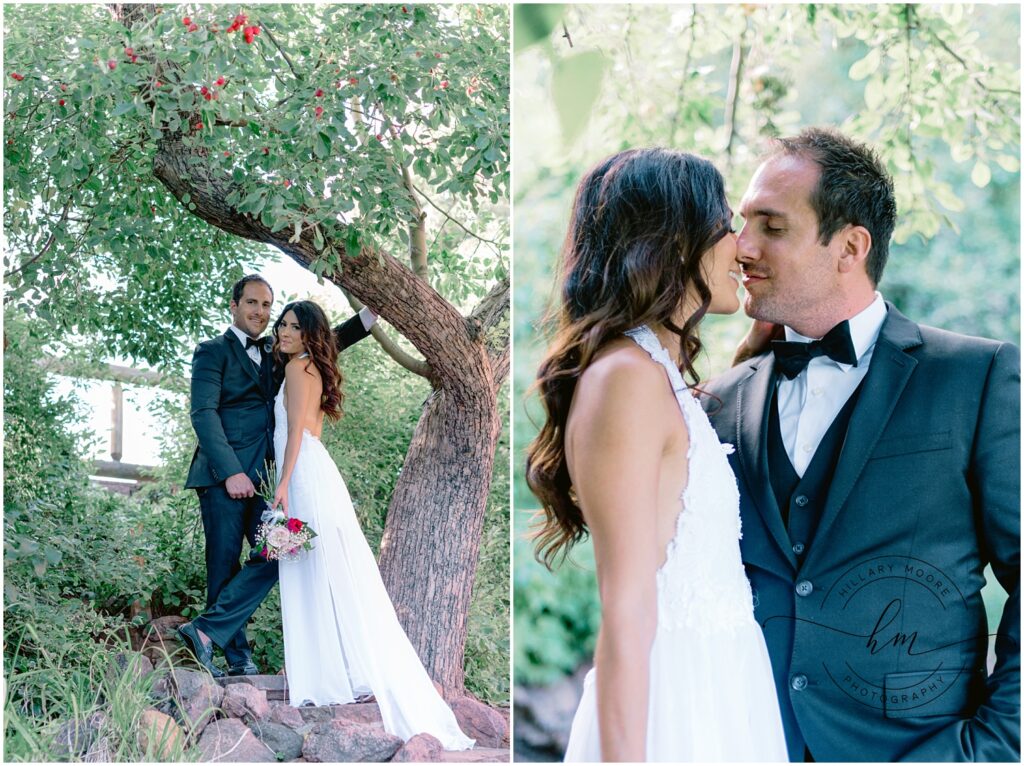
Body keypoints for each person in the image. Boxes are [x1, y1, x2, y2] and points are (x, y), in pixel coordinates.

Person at [703, 127, 1020, 761]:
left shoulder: (976, 378)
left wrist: (997, 744)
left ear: (850, 246)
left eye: (771, 225)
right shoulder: (717, 403)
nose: (741, 246)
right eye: (743, 224)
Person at [525, 148, 788, 761]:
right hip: (675, 701)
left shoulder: (655, 375)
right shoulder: (626, 379)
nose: (744, 247)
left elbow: (680, 473)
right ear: (674, 244)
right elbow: (626, 609)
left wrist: (750, 357)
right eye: (727, 226)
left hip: (724, 687)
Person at [267, 299, 474, 749]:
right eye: (281, 324)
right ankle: (327, 673)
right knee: (309, 566)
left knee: (308, 567)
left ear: (307, 335)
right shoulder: (307, 366)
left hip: (302, 476)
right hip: (311, 473)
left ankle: (322, 677)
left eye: (292, 326)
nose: (283, 331)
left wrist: (282, 485)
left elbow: (298, 431)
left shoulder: (297, 369)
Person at [179, 274, 375, 677]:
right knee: (223, 564)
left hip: (269, 477)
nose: (260, 312)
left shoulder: (277, 351)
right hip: (223, 476)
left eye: (267, 305)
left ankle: (205, 631)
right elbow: (203, 414)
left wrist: (373, 315)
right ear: (233, 305)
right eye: (252, 303)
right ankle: (235, 658)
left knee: (281, 551)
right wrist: (231, 472)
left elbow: (322, 340)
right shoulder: (212, 352)